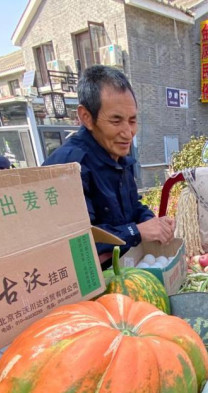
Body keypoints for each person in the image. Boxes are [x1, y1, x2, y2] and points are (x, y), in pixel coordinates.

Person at [42, 65, 175, 260]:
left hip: (125, 267)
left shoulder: (117, 156)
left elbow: (132, 207)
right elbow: (76, 241)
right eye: (116, 121)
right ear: (87, 117)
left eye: (132, 121)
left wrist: (152, 222)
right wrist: (137, 231)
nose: (128, 133)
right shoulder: (68, 168)